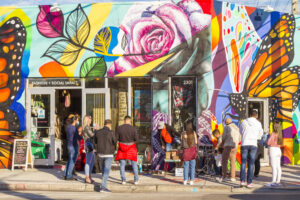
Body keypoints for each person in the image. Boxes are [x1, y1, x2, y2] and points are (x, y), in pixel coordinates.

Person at [239, 110, 263, 188]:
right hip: (253, 144)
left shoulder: (243, 122)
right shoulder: (258, 123)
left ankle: (242, 181)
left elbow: (241, 132)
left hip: (244, 143)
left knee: (243, 163)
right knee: (251, 164)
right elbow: (260, 135)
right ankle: (249, 182)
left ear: (249, 115)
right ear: (256, 116)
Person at [94, 119, 116, 193]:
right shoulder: (111, 132)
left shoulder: (98, 132)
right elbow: (115, 142)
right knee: (106, 170)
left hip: (100, 153)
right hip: (109, 153)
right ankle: (103, 187)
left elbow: (95, 141)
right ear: (109, 125)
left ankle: (103, 183)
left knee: (103, 169)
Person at [115, 116, 139, 185]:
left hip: (122, 147)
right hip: (131, 147)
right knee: (134, 164)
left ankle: (123, 180)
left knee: (122, 164)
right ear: (130, 121)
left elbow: (116, 139)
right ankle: (136, 180)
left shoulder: (119, 128)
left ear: (124, 120)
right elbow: (137, 139)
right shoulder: (133, 128)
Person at [219, 118, 240, 182]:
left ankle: (224, 176)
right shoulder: (237, 128)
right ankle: (232, 177)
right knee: (233, 161)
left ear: (226, 122)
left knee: (224, 161)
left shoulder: (227, 127)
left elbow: (223, 137)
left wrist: (221, 144)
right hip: (235, 146)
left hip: (228, 145)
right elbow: (240, 138)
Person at [63, 115, 82, 180]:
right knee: (72, 161)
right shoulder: (74, 128)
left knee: (69, 160)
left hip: (69, 145)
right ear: (74, 121)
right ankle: (69, 175)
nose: (77, 121)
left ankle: (65, 174)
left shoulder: (68, 127)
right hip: (73, 146)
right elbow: (78, 137)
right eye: (77, 120)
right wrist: (81, 135)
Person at [266, 120, 283, 187]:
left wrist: (268, 135)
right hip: (278, 150)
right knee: (278, 166)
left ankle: (273, 182)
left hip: (273, 150)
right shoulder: (280, 134)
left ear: (274, 127)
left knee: (273, 167)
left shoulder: (273, 133)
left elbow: (268, 142)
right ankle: (278, 181)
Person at [181, 121, 198, 185]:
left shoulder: (183, 133)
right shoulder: (194, 133)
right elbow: (196, 142)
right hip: (192, 151)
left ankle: (185, 180)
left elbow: (182, 143)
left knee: (185, 166)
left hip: (186, 152)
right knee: (192, 166)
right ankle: (191, 181)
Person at [82, 115, 96, 184]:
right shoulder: (86, 127)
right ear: (87, 119)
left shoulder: (88, 127)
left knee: (92, 161)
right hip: (88, 145)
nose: (91, 120)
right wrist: (96, 130)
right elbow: (92, 135)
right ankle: (87, 177)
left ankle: (89, 176)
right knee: (88, 161)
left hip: (90, 144)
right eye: (90, 119)